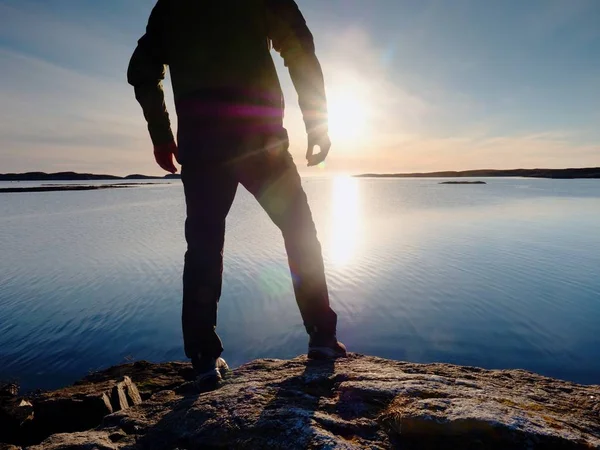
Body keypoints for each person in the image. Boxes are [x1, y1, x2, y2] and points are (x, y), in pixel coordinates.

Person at [127, 0, 346, 385]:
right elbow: (298, 45)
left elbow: (141, 70)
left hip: (203, 141)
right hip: (258, 137)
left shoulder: (170, 7)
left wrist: (161, 135)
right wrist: (317, 121)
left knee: (204, 244)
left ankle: (203, 361)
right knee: (298, 230)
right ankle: (321, 338)